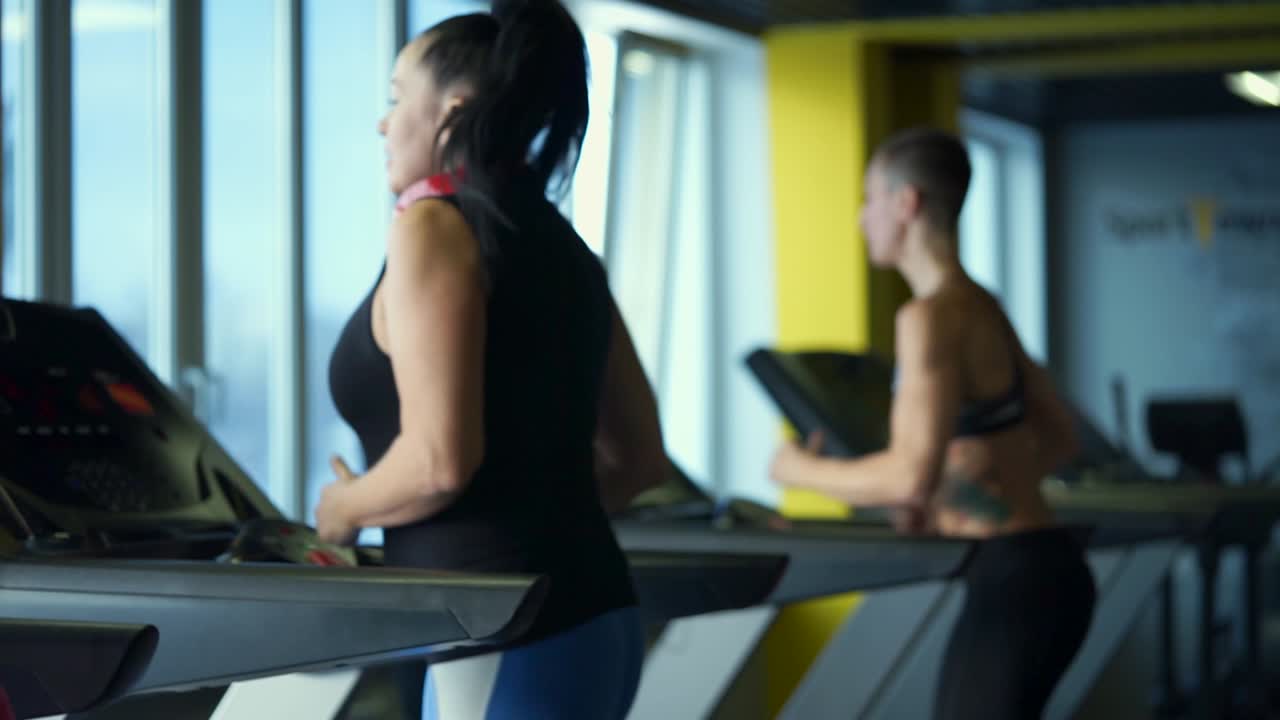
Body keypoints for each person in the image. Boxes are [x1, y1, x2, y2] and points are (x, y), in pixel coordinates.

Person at [313, 2, 667, 718]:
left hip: (503, 632)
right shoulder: (565, 249)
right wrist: (532, 517)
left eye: (394, 98)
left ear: (454, 107)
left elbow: (439, 461)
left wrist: (343, 507)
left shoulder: (431, 228)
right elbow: (640, 459)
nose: (383, 123)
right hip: (593, 615)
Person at [769, 128, 1096, 720]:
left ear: (906, 203)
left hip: (1014, 579)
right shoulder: (981, 303)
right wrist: (962, 496)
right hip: (1047, 566)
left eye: (870, 199)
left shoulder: (927, 317)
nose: (861, 218)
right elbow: (1057, 437)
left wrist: (801, 468)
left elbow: (907, 478)